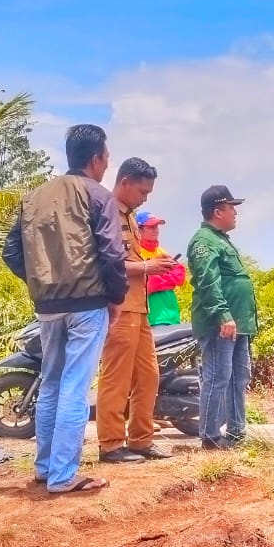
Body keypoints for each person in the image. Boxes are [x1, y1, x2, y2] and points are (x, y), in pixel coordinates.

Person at [1, 124, 128, 494]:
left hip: (48, 305)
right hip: (87, 304)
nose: (107, 164)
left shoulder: (34, 197)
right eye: (106, 157)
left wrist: (40, 282)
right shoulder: (97, 195)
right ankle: (63, 476)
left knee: (53, 384)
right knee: (75, 386)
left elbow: (11, 252)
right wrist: (116, 299)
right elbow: (111, 253)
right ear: (96, 158)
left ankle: (45, 468)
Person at [95, 158, 178, 464]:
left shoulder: (129, 216)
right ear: (126, 182)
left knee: (148, 376)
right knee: (116, 378)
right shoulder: (107, 213)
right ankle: (111, 444)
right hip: (120, 307)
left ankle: (141, 439)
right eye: (143, 191)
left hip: (139, 308)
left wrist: (154, 267)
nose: (145, 197)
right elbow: (109, 263)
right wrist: (148, 266)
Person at [187, 185, 257, 450]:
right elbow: (208, 283)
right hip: (221, 324)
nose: (235, 213)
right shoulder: (204, 241)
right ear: (218, 211)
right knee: (218, 377)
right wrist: (223, 315)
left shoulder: (221, 240)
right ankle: (210, 437)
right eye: (231, 208)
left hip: (237, 324)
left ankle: (237, 432)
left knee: (239, 377)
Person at [137, 209, 186, 327]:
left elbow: (180, 278)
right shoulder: (137, 253)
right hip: (153, 317)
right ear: (139, 230)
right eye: (151, 227)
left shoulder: (161, 251)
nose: (155, 230)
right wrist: (165, 277)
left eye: (156, 226)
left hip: (172, 315)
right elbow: (146, 285)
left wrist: (157, 276)